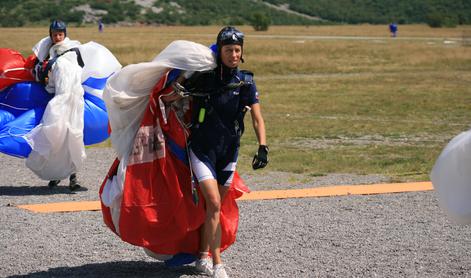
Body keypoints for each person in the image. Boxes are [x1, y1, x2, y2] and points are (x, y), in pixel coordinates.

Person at [168, 26, 268, 278]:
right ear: (219, 52)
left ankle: (202, 256)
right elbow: (168, 98)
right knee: (213, 203)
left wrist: (262, 146)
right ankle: (218, 263)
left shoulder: (246, 81)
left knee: (214, 208)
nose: (233, 54)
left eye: (237, 50)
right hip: (202, 150)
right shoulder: (203, 78)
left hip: (228, 152)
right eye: (228, 50)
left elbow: (257, 117)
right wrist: (185, 76)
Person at [28, 20, 84, 191]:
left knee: (72, 137)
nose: (58, 37)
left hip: (73, 102)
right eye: (55, 35)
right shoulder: (51, 57)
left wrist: (48, 84)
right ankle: (56, 175)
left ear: (65, 34)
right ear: (51, 36)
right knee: (57, 139)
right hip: (60, 101)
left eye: (60, 34)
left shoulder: (71, 52)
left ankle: (73, 178)